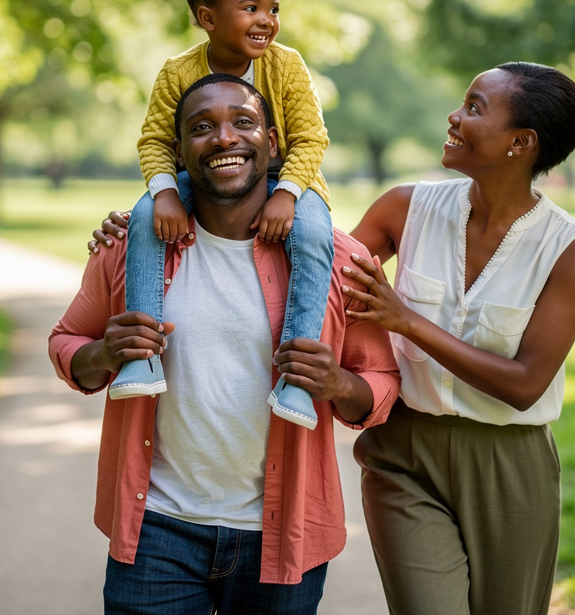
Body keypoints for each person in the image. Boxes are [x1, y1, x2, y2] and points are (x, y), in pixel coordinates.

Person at [49, 75, 400, 614]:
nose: (223, 138)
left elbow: (381, 385)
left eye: (243, 121)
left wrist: (337, 383)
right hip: (157, 530)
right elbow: (68, 341)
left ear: (273, 142)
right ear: (179, 151)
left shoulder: (340, 262)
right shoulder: (126, 253)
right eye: (201, 128)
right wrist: (102, 354)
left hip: (285, 535)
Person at [339, 62, 575, 615]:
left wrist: (408, 321)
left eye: (476, 107)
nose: (455, 117)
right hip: (403, 455)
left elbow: (526, 383)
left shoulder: (571, 248)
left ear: (521, 143)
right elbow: (316, 278)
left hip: (511, 469)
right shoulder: (403, 209)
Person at [112, 0, 335, 431]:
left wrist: (287, 195)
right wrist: (166, 190)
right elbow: (153, 139)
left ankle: (295, 374)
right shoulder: (178, 72)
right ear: (208, 17)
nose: (267, 20)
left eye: (273, 8)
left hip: (290, 177)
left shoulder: (286, 64)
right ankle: (143, 356)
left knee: (315, 235)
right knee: (146, 217)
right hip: (203, 174)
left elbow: (311, 138)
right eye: (251, 8)